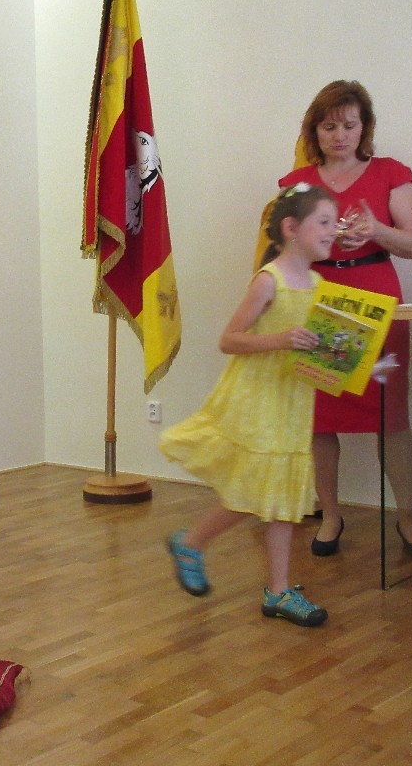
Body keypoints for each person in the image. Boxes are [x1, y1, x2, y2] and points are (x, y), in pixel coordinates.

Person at [162, 184, 338, 627]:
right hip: (258, 398)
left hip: (293, 400)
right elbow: (230, 340)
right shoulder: (269, 280)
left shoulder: (319, 285)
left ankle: (276, 590)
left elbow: (316, 346)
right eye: (324, 222)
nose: (333, 231)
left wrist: (354, 364)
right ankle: (192, 542)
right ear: (291, 228)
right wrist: (280, 339)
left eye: (334, 223)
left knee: (279, 493)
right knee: (256, 489)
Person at [279, 80, 412, 562]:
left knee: (392, 415)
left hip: (377, 302)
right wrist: (322, 242)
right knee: (321, 421)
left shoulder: (390, 173)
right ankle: (330, 515)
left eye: (349, 125)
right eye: (329, 126)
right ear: (314, 130)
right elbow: (285, 253)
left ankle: (407, 517)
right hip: (322, 303)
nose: (339, 135)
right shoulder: (298, 183)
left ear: (364, 127)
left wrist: (376, 230)